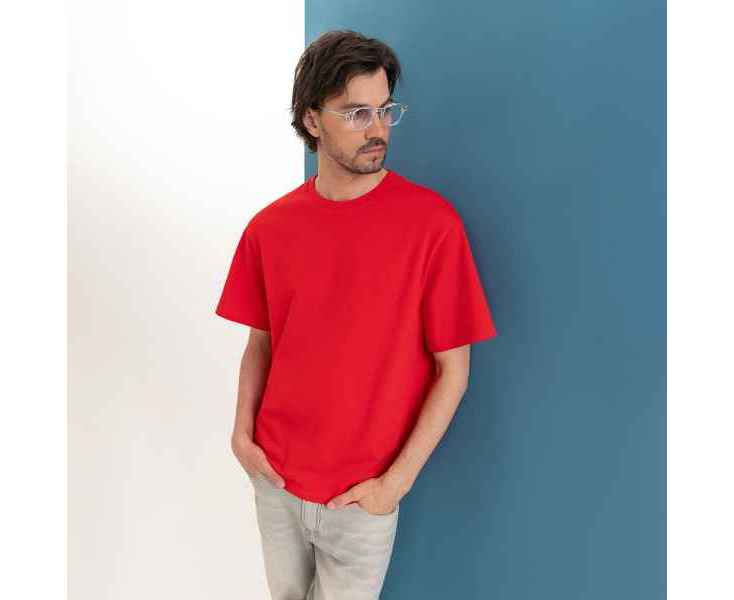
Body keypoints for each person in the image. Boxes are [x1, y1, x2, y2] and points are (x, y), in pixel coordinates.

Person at [215, 29, 498, 600]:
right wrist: (243, 437)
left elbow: (454, 371)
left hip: (362, 497)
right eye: (356, 113)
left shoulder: (432, 226)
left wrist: (393, 486)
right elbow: (261, 343)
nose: (377, 129)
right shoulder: (269, 228)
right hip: (275, 478)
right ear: (312, 120)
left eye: (386, 110)